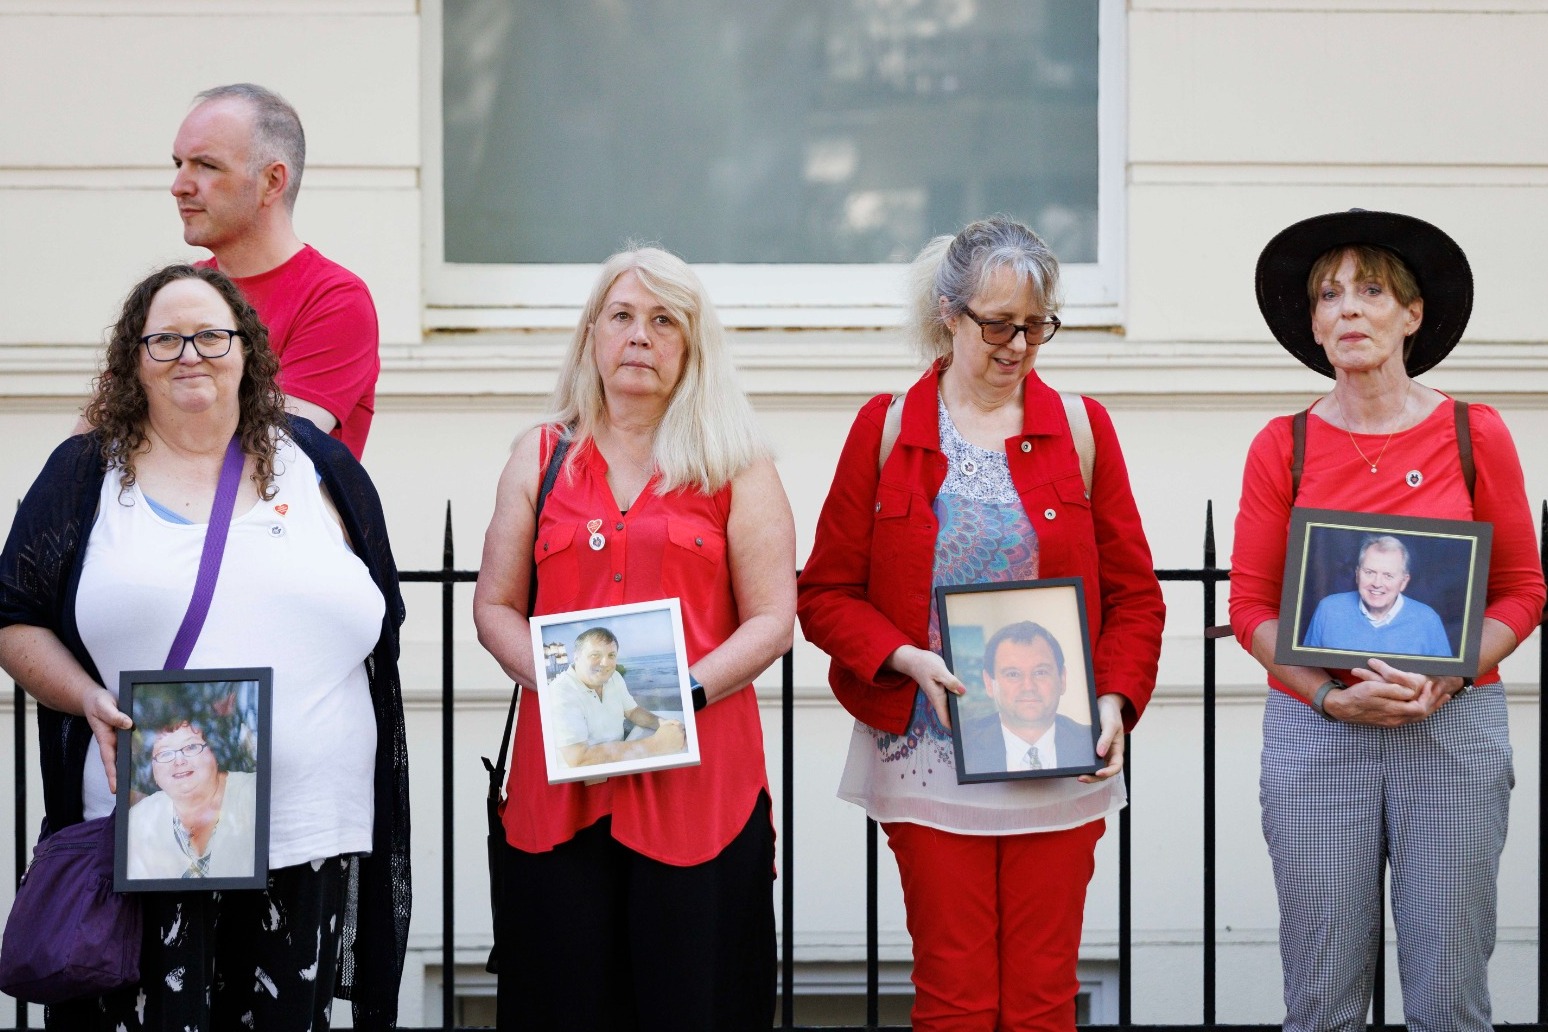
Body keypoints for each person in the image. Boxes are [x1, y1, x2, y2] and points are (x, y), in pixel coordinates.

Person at [0, 264, 411, 1030]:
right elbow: (14, 616)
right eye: (165, 339)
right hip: (157, 838)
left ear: (248, 351)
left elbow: (382, 616)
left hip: (310, 833)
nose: (191, 353)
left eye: (212, 334)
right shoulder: (88, 472)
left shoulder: (322, 468)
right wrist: (86, 696)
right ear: (134, 361)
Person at [797, 216, 1165, 1031]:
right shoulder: (887, 428)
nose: (1019, 345)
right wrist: (900, 656)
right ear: (948, 313)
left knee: (1041, 999)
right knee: (954, 996)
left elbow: (1136, 598)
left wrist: (1114, 704)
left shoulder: (1082, 428)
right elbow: (824, 591)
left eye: (1037, 326)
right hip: (928, 750)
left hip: (1056, 747)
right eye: (999, 324)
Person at [1230, 209, 1545, 1032]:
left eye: (1372, 290)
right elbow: (1252, 609)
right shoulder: (1282, 446)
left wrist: (1449, 672)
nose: (1348, 310)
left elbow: (1521, 589)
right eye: (1328, 294)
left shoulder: (1476, 435)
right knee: (1323, 992)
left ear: (1412, 314)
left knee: (1448, 991)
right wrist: (1330, 698)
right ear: (1312, 323)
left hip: (1453, 725)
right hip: (1316, 730)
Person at [472, 246, 796, 1031]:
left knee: (695, 1007)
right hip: (562, 794)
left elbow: (772, 621)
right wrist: (558, 689)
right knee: (563, 1005)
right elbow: (495, 607)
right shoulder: (540, 457)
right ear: (592, 336)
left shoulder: (736, 465)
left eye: (663, 321)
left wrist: (673, 694)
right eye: (621, 317)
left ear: (692, 344)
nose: (639, 337)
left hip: (701, 795)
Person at [171, 83, 380, 458]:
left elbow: (268, 455)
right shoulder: (176, 297)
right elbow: (95, 441)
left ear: (272, 181)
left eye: (206, 165)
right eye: (178, 164)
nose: (179, 186)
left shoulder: (335, 299)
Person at [126, 720, 258, 880]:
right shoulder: (139, 819)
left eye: (191, 747)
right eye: (165, 753)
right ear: (153, 771)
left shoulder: (252, 793)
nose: (179, 760)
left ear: (215, 753)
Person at [960, 621, 1095, 775]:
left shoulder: (1094, 744)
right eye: (1013, 674)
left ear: (1062, 679)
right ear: (989, 683)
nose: (1028, 687)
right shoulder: (961, 745)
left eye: (1041, 672)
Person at [549, 626, 685, 767]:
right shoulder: (560, 692)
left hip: (619, 760)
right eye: (595, 655)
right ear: (576, 657)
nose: (605, 663)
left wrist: (662, 724)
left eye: (611, 655)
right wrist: (656, 744)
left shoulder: (614, 676)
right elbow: (578, 759)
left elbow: (632, 711)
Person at [1302, 534, 1452, 656]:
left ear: (1404, 581)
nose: (1377, 583)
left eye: (1388, 575)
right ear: (1357, 574)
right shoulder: (1328, 609)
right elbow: (1307, 669)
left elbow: (1444, 680)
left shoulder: (1428, 619)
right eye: (1369, 572)